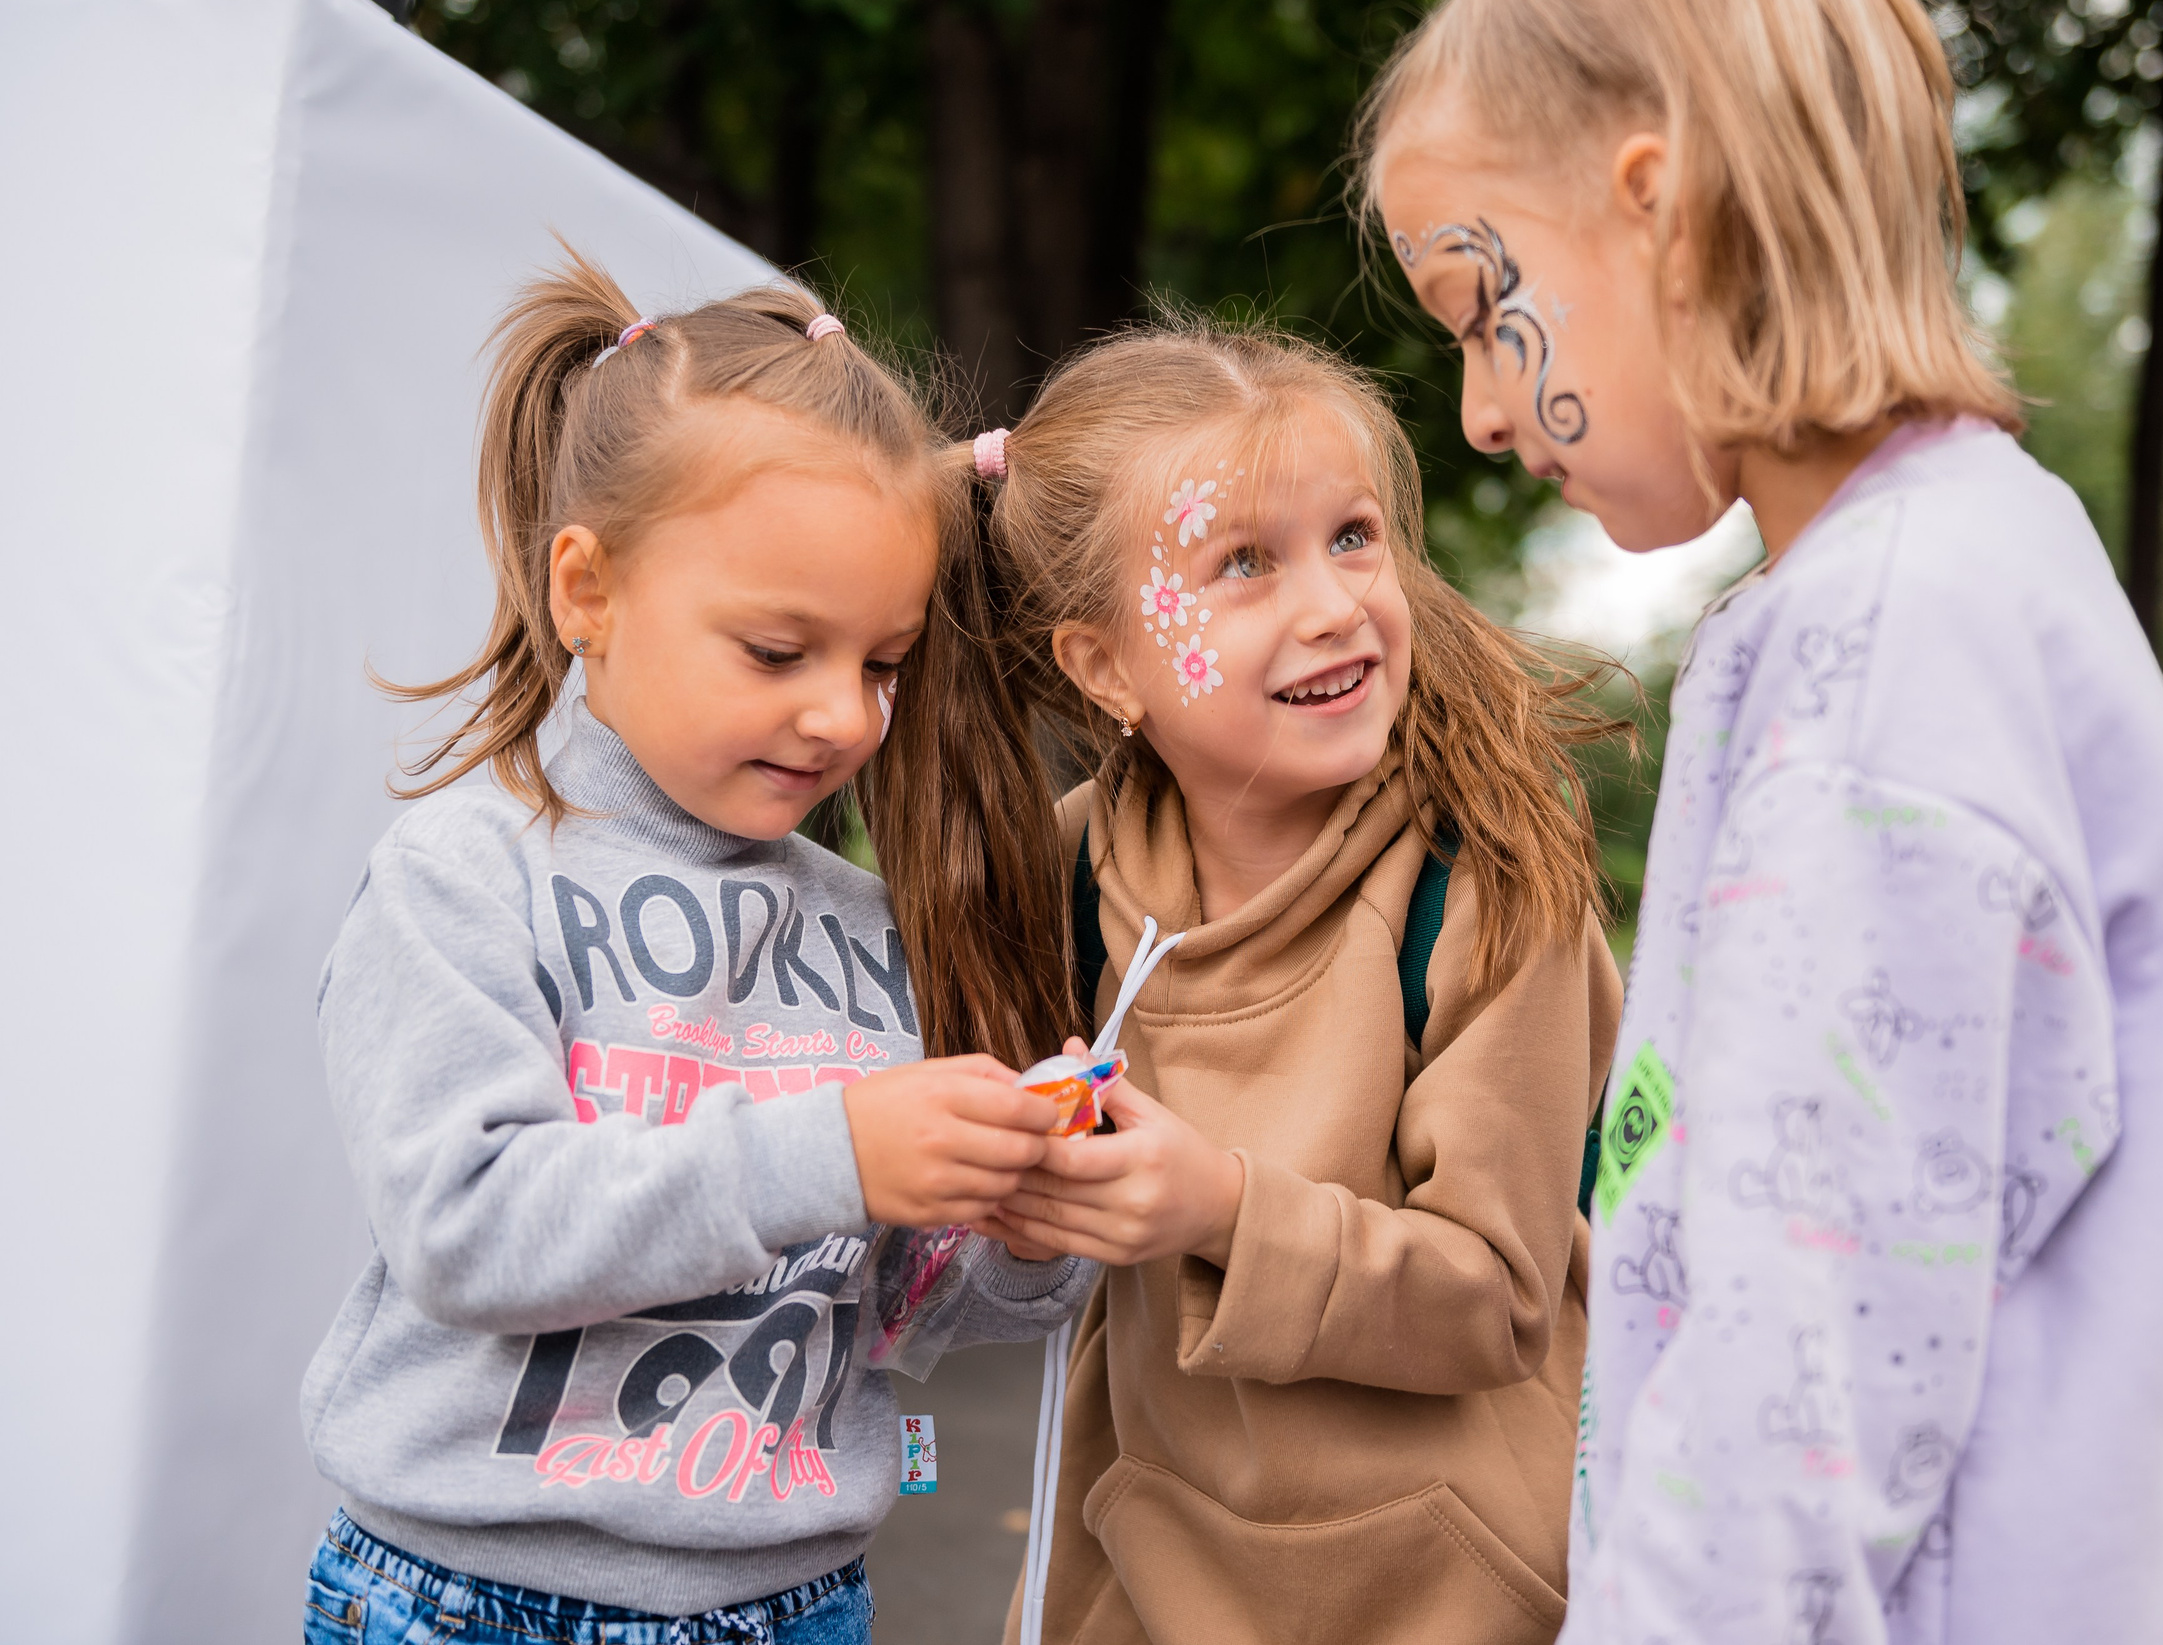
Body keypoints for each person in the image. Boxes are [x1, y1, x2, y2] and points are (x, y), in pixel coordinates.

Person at [1358, 0, 2163, 1643]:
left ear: (1660, 209)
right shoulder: (1963, 572)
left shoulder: (1888, 656)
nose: (1486, 413)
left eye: (1482, 312)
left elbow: (1793, 1390)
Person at [297, 256, 1094, 1645]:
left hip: (796, 1602)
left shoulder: (865, 929)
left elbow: (893, 1307)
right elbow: (465, 1223)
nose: (844, 716)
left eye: (883, 663)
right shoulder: (463, 875)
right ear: (587, 587)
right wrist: (829, 1149)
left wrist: (1024, 1223)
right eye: (778, 649)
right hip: (470, 1605)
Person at [967, 321, 1624, 1645]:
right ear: (1103, 664)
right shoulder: (1068, 872)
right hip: (1149, 1570)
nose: (1331, 603)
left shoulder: (1490, 881)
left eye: (1354, 536)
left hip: (1458, 1592)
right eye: (1244, 563)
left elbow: (1495, 1296)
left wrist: (1215, 1205)